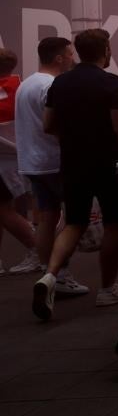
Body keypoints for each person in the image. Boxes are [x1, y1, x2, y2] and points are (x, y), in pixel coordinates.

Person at [32, 29, 118, 320]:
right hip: (107, 163)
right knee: (114, 223)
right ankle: (107, 289)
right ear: (105, 50)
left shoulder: (61, 82)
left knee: (74, 223)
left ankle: (50, 276)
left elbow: (48, 125)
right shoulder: (111, 82)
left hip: (72, 162)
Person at [15, 37, 86, 293]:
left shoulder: (26, 84)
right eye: (69, 54)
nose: (72, 59)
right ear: (59, 58)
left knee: (46, 219)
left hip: (33, 163)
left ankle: (49, 275)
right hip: (54, 162)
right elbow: (56, 125)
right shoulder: (52, 85)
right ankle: (61, 275)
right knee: (73, 220)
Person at [0, 47, 40, 275]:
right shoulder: (21, 87)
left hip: (6, 161)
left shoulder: (8, 91)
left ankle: (37, 250)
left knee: (4, 211)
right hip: (17, 158)